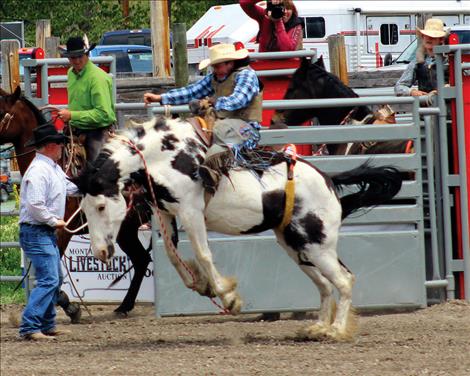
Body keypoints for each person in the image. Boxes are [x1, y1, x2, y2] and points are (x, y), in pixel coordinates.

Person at [144, 43, 263, 191]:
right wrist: (160, 98)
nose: (215, 70)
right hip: (223, 123)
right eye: (214, 66)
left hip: (246, 127)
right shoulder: (216, 77)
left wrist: (214, 102)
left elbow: (239, 100)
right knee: (191, 127)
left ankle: (212, 172)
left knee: (218, 132)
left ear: (230, 63)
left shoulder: (246, 75)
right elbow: (192, 91)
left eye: (218, 66)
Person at [18, 123, 79, 341]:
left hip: (41, 232)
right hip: (37, 231)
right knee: (49, 279)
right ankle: (30, 325)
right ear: (52, 146)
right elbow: (35, 205)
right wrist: (54, 221)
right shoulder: (39, 171)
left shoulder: (51, 168)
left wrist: (88, 186)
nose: (63, 147)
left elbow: (69, 188)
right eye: (61, 144)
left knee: (54, 277)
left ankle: (46, 323)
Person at [58, 36, 116, 162]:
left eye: (80, 56)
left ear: (87, 55)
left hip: (97, 131)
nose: (77, 61)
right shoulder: (70, 73)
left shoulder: (98, 78)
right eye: (73, 57)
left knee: (97, 171)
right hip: (74, 131)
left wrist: (72, 115)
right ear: (68, 58)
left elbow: (103, 114)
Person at [395, 18, 449, 97]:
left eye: (433, 36)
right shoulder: (417, 62)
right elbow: (399, 87)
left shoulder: (450, 60)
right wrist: (412, 92)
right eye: (426, 35)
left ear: (441, 39)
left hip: (449, 107)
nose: (429, 38)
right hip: (426, 108)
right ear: (423, 37)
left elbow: (461, 83)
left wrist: (447, 88)